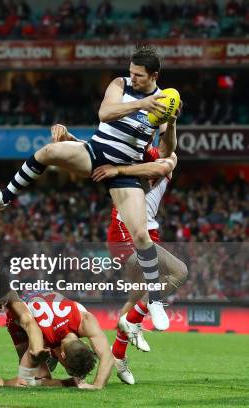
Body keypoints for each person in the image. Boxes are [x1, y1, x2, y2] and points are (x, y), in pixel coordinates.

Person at [0, 46, 179, 331]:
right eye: (131, 72)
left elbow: (167, 151)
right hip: (95, 153)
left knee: (141, 235)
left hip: (124, 171)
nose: (132, 78)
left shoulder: (166, 99)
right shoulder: (120, 84)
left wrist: (171, 121)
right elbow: (105, 113)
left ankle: (155, 300)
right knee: (48, 152)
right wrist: (140, 104)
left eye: (139, 75)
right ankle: (3, 197)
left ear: (154, 75)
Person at [94, 146, 188, 385]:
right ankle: (133, 321)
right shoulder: (130, 165)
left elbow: (164, 159)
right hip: (126, 232)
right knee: (179, 271)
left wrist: (171, 123)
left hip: (148, 232)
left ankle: (118, 354)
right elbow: (95, 152)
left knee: (137, 295)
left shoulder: (164, 162)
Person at [6, 291, 114, 389]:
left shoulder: (85, 320)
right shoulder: (39, 337)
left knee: (72, 358)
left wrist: (97, 386)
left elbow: (107, 356)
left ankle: (52, 358)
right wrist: (70, 383)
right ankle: (51, 357)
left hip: (43, 294)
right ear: (62, 354)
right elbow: (26, 380)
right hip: (19, 312)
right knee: (36, 376)